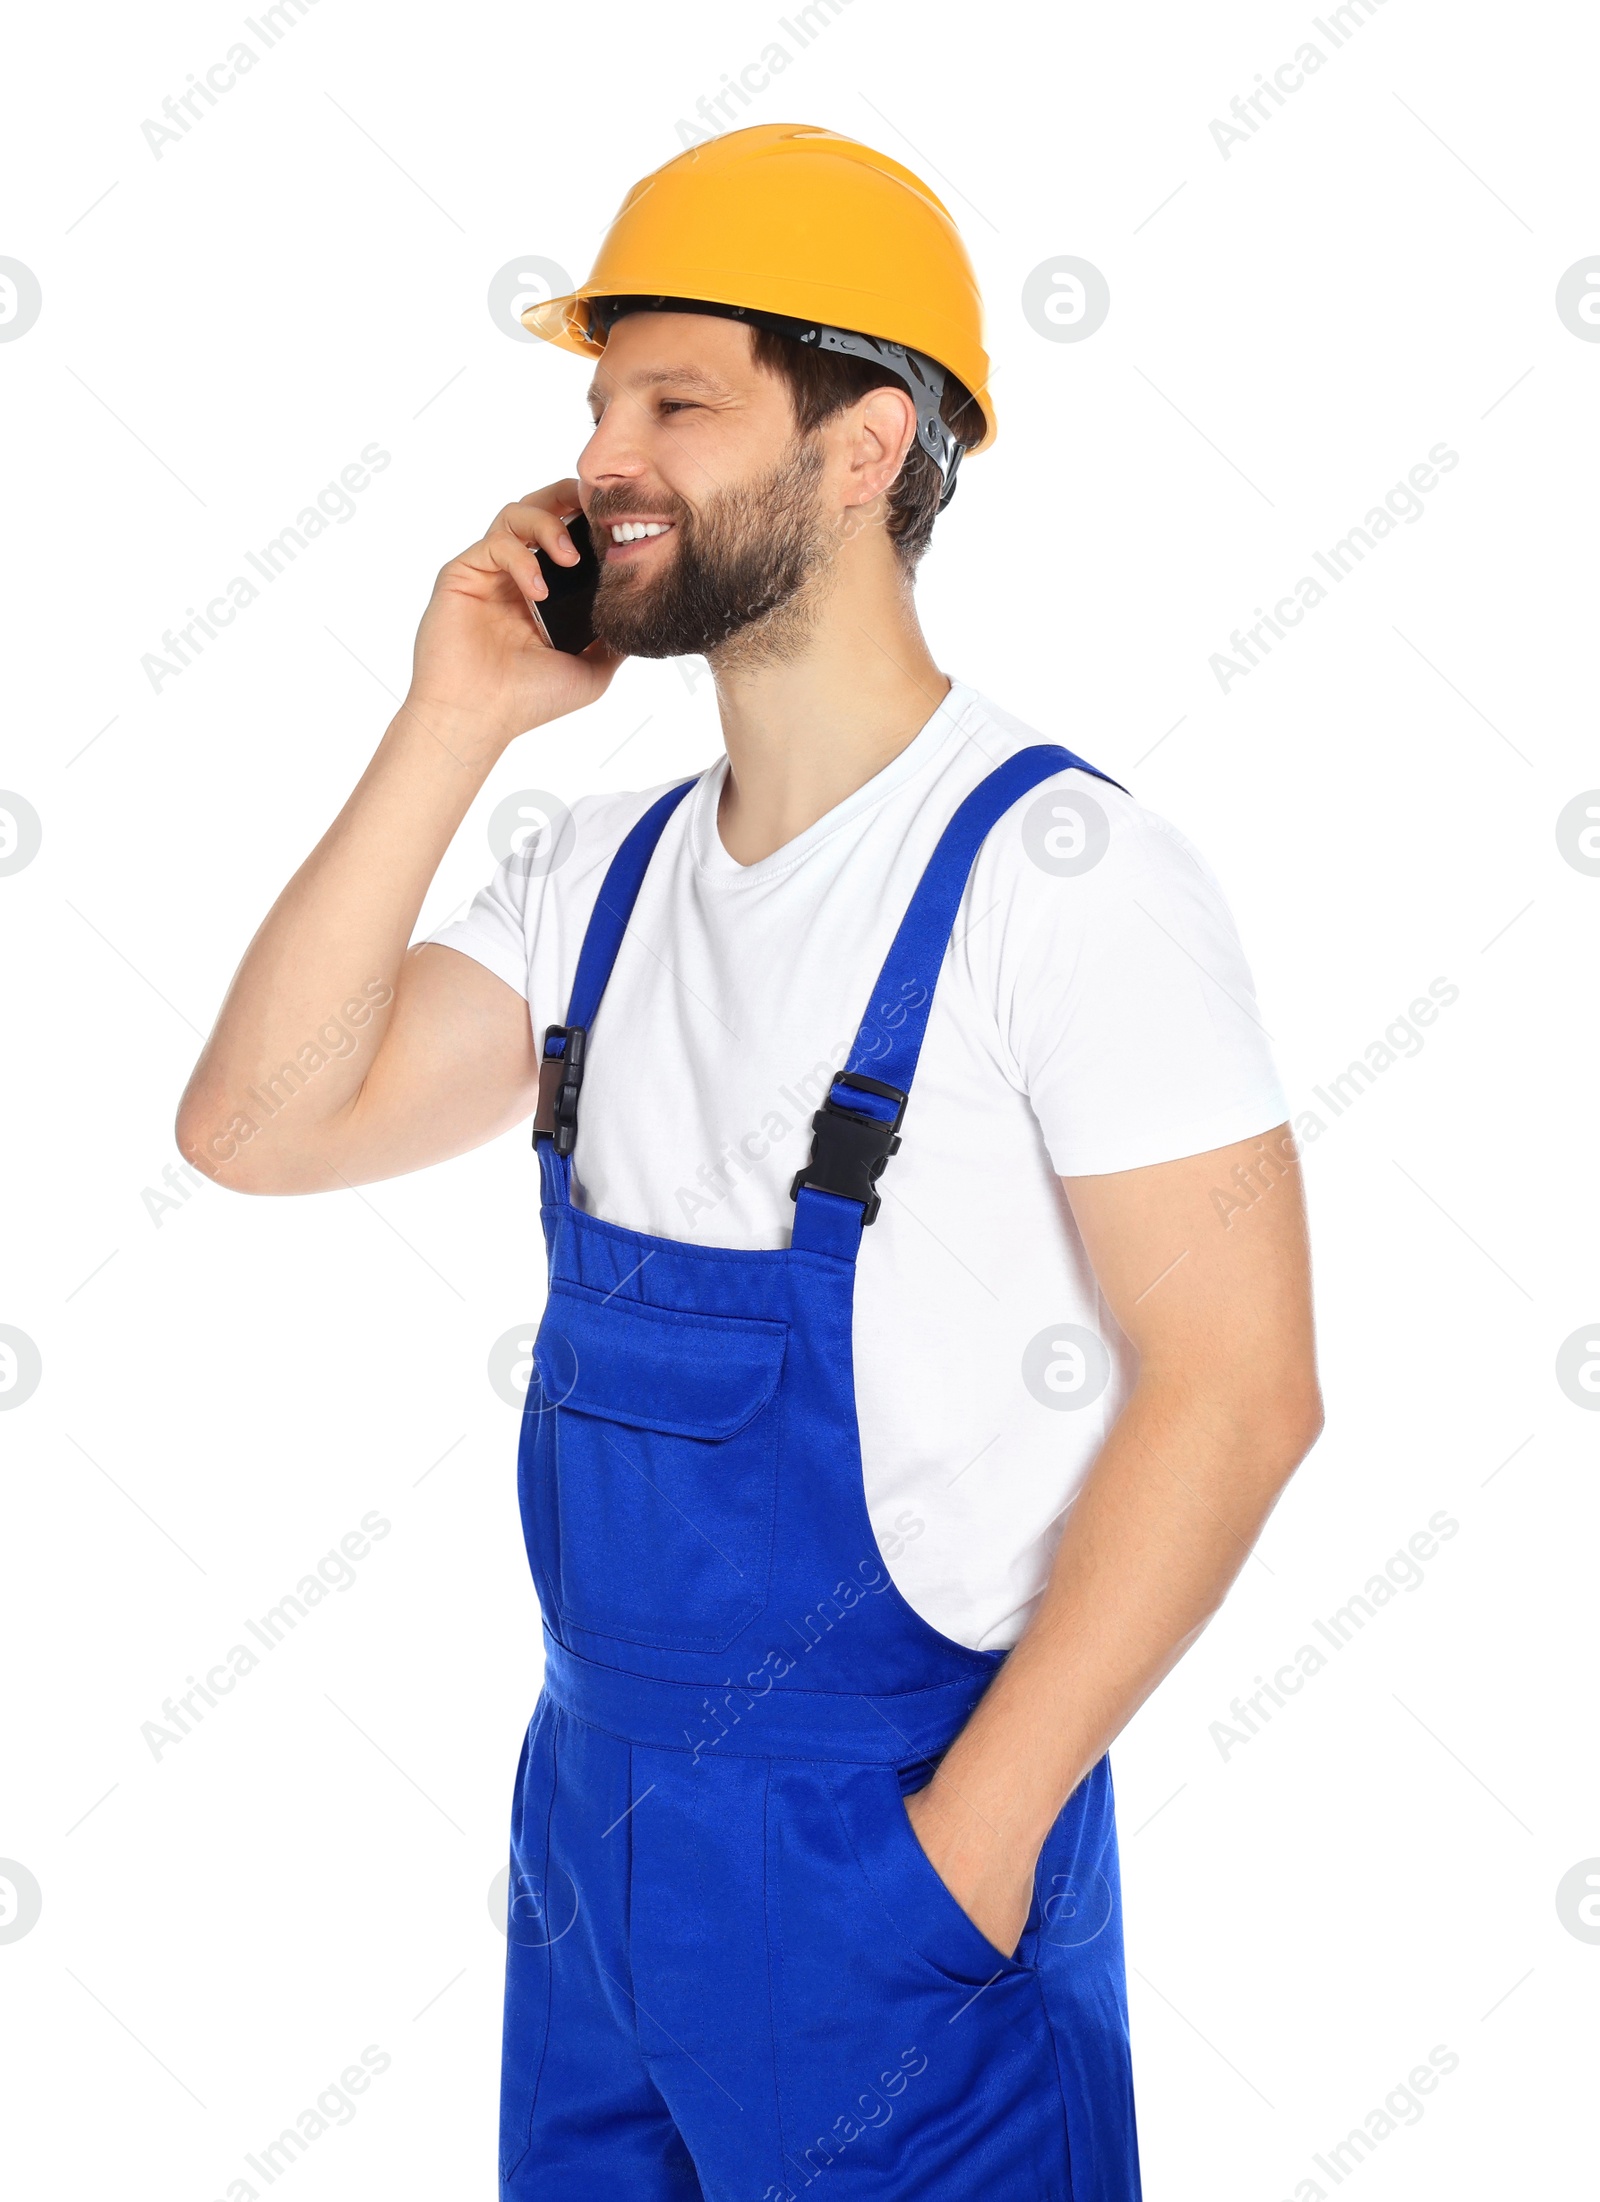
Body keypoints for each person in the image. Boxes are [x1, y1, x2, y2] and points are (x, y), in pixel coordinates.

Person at [177, 123, 1321, 2202]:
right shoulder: (587, 875)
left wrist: (959, 1859)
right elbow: (255, 1133)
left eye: (675, 402)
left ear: (866, 443)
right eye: (594, 403)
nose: (605, 454)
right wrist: (455, 718)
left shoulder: (1062, 876)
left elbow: (1238, 1395)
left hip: (891, 1856)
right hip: (590, 1844)